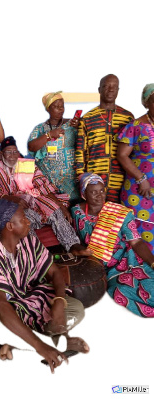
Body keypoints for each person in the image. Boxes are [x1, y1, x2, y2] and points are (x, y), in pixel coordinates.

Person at [0, 199, 89, 373]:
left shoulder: (29, 241)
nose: (28, 221)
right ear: (10, 226)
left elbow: (54, 272)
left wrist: (59, 300)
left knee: (76, 308)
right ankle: (50, 343)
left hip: (27, 300)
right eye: (23, 219)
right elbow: (1, 306)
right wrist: (40, 347)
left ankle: (20, 342)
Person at [0, 136, 91, 256]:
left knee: (54, 210)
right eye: (8, 152)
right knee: (24, 219)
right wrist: (11, 198)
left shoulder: (26, 165)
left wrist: (59, 205)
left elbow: (43, 184)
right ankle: (37, 254)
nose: (13, 155)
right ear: (1, 154)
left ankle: (72, 245)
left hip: (36, 202)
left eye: (15, 152)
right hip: (14, 208)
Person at [71, 173, 154, 317]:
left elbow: (136, 241)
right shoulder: (76, 212)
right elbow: (74, 240)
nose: (100, 195)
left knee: (148, 285)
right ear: (84, 194)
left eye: (102, 190)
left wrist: (152, 262)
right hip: (102, 266)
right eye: (94, 192)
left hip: (129, 261)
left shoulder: (119, 213)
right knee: (117, 292)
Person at [75, 74, 134, 202]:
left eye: (114, 87)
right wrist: (81, 177)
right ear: (99, 90)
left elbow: (133, 151)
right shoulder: (88, 118)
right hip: (94, 180)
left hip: (121, 179)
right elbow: (80, 151)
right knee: (95, 217)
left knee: (118, 217)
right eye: (106, 86)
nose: (111, 90)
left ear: (118, 90)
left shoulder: (127, 118)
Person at [117, 84, 154, 252]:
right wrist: (141, 179)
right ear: (146, 103)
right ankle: (142, 272)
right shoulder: (135, 126)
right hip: (139, 188)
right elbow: (122, 155)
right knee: (140, 230)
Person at [28, 91, 80, 203]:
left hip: (72, 182)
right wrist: (49, 135)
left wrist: (81, 124)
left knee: (74, 210)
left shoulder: (72, 125)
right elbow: (31, 147)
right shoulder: (40, 129)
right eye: (56, 107)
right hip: (49, 184)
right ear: (48, 109)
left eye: (62, 106)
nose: (60, 109)